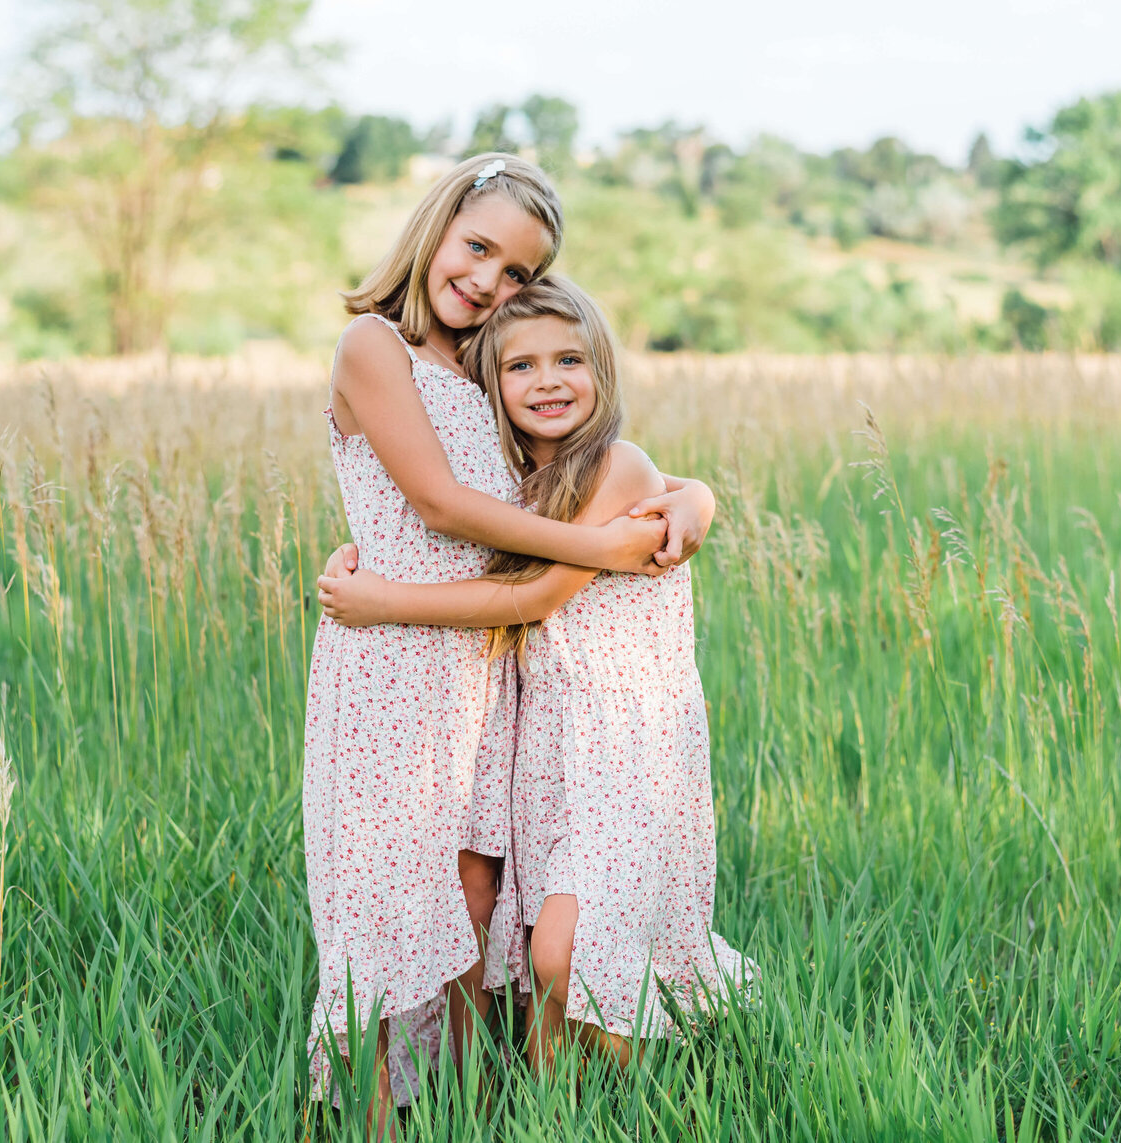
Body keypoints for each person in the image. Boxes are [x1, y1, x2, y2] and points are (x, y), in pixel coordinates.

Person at [303, 155, 717, 1133]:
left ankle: (470, 1109)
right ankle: (367, 1117)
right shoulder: (375, 346)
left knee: (476, 897)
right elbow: (443, 504)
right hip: (395, 657)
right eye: (478, 247)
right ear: (436, 224)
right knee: (388, 900)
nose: (488, 281)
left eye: (516, 273)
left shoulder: (486, 366)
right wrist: (603, 547)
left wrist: (693, 498)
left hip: (492, 680)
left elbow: (583, 462)